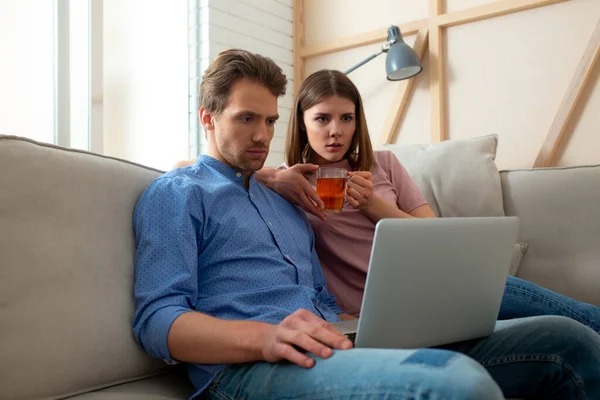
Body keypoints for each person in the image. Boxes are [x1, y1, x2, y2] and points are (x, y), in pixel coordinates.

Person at [136, 49, 600, 400]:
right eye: (246, 119)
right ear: (207, 118)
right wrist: (266, 337)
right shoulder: (179, 193)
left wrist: (374, 332)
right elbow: (157, 322)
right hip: (245, 368)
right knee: (457, 383)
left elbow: (321, 295)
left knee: (568, 339)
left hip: (339, 341)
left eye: (270, 121)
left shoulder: (286, 200)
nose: (261, 135)